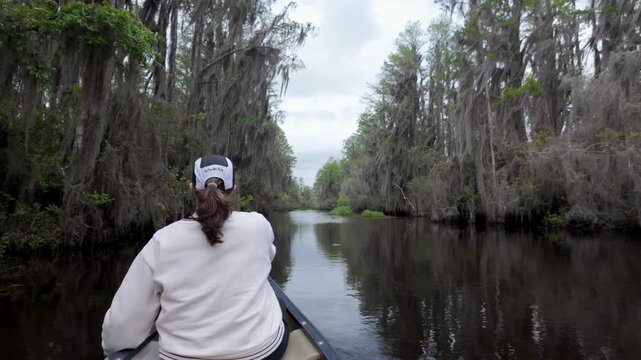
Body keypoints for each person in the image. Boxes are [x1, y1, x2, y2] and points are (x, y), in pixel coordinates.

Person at [101, 155, 288, 360]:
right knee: (276, 299)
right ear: (233, 189)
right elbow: (267, 257)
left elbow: (122, 325)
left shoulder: (162, 241)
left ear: (192, 188)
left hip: (181, 356)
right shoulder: (258, 225)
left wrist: (116, 351)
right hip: (264, 353)